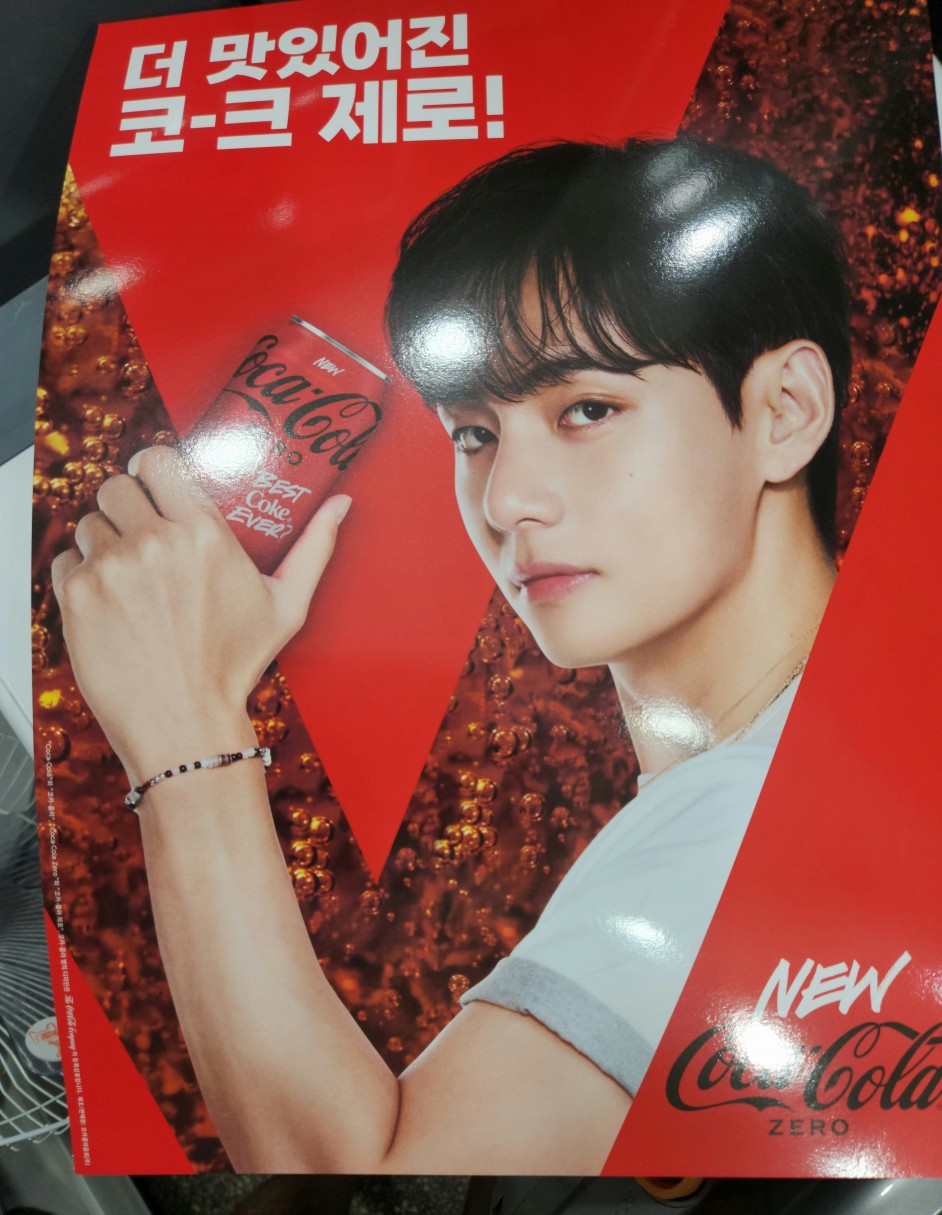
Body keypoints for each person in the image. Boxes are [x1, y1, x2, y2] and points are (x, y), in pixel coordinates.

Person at [51, 137, 850, 1174]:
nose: (506, 499)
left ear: (785, 410)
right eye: (473, 433)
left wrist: (181, 728)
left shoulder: (746, 816)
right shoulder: (796, 756)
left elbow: (358, 1188)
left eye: (588, 409)